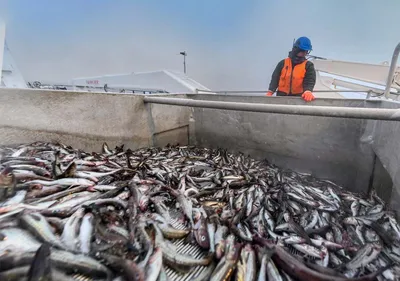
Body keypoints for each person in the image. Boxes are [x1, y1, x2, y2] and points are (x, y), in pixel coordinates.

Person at [266, 37, 316, 102]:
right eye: (303, 51)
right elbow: (275, 78)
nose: (305, 53)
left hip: (299, 99)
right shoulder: (283, 63)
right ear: (296, 49)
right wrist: (270, 91)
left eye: (306, 51)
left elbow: (310, 80)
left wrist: (308, 91)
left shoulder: (308, 65)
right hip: (281, 98)